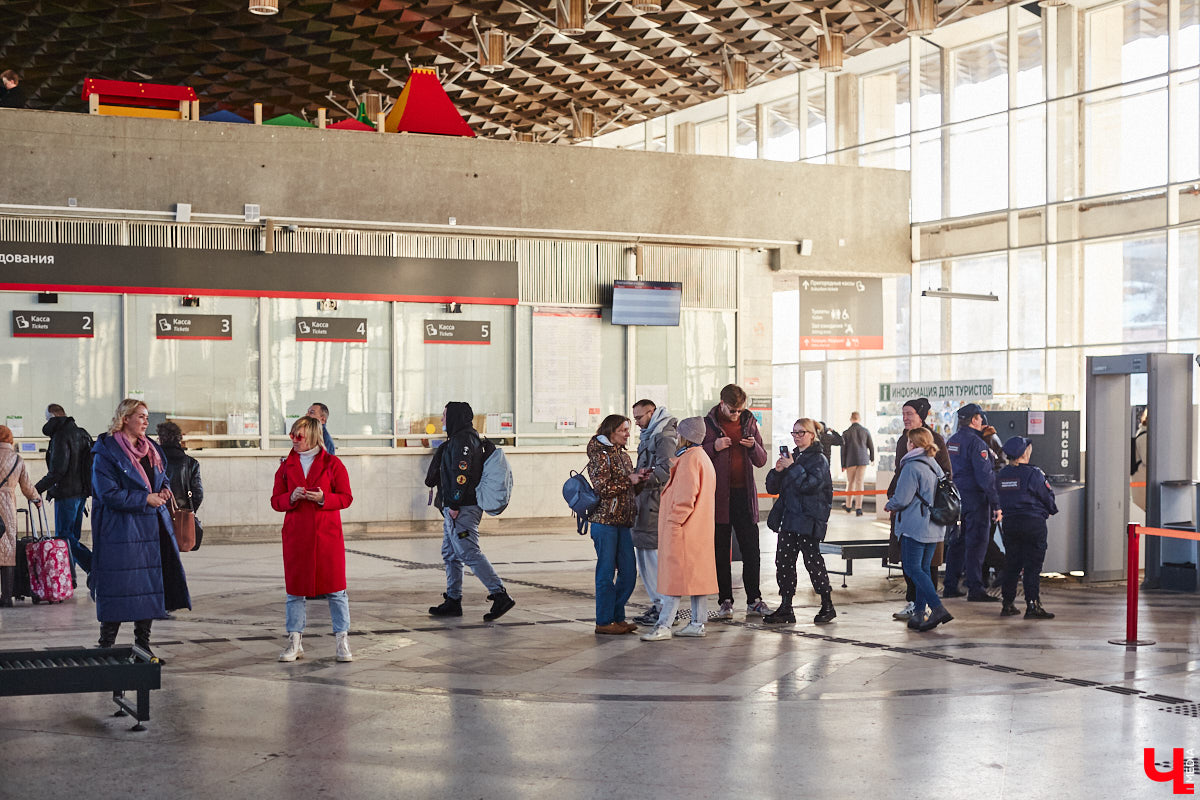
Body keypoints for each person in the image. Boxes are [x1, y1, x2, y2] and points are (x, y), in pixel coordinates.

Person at [91, 400, 190, 658]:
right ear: (125, 419)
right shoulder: (107, 452)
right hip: (121, 531)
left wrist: (166, 490)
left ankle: (143, 644)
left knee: (147, 586)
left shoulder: (152, 450)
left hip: (151, 529)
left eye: (147, 417)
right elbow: (107, 493)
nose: (146, 422)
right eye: (141, 417)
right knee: (119, 584)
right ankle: (106, 644)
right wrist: (144, 498)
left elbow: (161, 477)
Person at [271, 416, 355, 662]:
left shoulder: (333, 464)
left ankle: (342, 640)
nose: (295, 440)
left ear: (313, 437)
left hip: (327, 536)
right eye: (292, 435)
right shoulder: (286, 466)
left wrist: (322, 498)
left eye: (300, 435)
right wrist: (291, 497)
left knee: (337, 590)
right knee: (295, 592)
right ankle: (294, 641)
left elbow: (346, 497)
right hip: (297, 536)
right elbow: (275, 501)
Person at [424, 402, 515, 622]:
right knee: (451, 553)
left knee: (468, 551)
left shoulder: (464, 440)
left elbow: (461, 474)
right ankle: (453, 600)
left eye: (445, 416)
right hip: (454, 507)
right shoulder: (458, 439)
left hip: (462, 507)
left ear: (455, 416)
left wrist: (454, 504)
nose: (443, 420)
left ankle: (499, 594)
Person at [640, 417, 717, 641]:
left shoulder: (690, 460)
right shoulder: (702, 458)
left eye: (678, 434)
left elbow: (685, 498)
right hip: (697, 531)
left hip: (683, 529)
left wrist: (674, 522)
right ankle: (697, 622)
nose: (675, 438)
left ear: (685, 437)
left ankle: (664, 625)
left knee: (674, 579)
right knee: (696, 578)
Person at [701, 384, 769, 620]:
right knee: (721, 551)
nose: (736, 414)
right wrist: (714, 447)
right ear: (722, 403)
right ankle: (725, 601)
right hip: (719, 497)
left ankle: (754, 599)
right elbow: (695, 456)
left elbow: (761, 461)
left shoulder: (749, 423)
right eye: (732, 410)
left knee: (751, 549)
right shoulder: (708, 424)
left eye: (739, 410)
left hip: (744, 496)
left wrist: (754, 447)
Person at [763, 418, 836, 625]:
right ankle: (786, 606)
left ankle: (827, 604)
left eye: (801, 433)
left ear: (812, 435)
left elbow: (810, 486)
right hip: (789, 518)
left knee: (813, 562)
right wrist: (777, 472)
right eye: (794, 433)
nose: (796, 437)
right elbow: (773, 489)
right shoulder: (793, 457)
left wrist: (793, 467)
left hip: (808, 519)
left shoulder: (819, 459)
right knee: (783, 562)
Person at [887, 398, 952, 621]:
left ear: (921, 416)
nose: (905, 418)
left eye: (909, 413)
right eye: (903, 413)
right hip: (909, 513)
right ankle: (916, 608)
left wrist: (898, 500)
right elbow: (899, 473)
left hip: (922, 513)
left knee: (923, 564)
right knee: (913, 563)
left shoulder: (935, 441)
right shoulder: (901, 441)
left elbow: (945, 476)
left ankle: (931, 607)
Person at [585, 413, 646, 635]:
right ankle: (604, 620)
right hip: (605, 522)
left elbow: (627, 488)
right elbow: (602, 489)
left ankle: (616, 616)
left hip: (624, 522)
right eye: (623, 430)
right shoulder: (600, 456)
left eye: (628, 429)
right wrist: (627, 481)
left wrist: (638, 481)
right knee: (606, 572)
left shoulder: (623, 455)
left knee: (629, 573)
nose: (628, 434)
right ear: (610, 432)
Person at [942, 403, 1002, 602]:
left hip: (957, 500)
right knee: (976, 544)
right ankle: (975, 588)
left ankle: (950, 585)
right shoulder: (977, 444)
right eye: (980, 418)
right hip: (976, 500)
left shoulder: (952, 441)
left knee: (957, 542)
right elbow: (985, 476)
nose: (982, 421)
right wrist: (996, 504)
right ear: (975, 419)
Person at [997, 436, 1058, 620]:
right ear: (1024, 453)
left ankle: (1007, 604)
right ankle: (1032, 606)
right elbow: (1047, 497)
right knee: (1032, 566)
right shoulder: (1034, 473)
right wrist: (1050, 510)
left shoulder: (1002, 475)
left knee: (1012, 564)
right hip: (1033, 524)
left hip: (1011, 524)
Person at [630, 399, 678, 627]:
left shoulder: (663, 435)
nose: (637, 423)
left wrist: (643, 478)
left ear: (652, 413)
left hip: (653, 504)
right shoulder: (652, 432)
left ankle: (664, 606)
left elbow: (665, 471)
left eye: (639, 418)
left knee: (652, 558)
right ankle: (659, 604)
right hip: (646, 502)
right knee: (644, 555)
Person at [35, 404, 94, 584]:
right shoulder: (82, 433)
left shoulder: (61, 436)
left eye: (47, 419)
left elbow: (58, 470)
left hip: (66, 494)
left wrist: (35, 489)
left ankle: (93, 564)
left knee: (64, 537)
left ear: (52, 417)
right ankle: (69, 578)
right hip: (81, 493)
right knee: (71, 537)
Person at [0, 426, 42, 607]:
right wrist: (36, 498)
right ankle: (7, 597)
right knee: (8, 551)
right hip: (7, 507)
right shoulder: (17, 459)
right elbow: (26, 486)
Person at [156, 422, 203, 547]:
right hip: (181, 516)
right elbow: (198, 494)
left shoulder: (154, 461)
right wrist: (188, 512)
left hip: (156, 515)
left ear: (160, 439)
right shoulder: (191, 463)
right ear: (179, 439)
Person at [840, 411, 874, 516]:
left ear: (851, 419)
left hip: (850, 461)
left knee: (850, 483)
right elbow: (871, 446)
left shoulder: (846, 433)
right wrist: (872, 458)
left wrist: (843, 464)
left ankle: (849, 505)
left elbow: (843, 450)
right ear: (859, 419)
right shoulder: (865, 431)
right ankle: (859, 508)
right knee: (860, 483)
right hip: (863, 460)